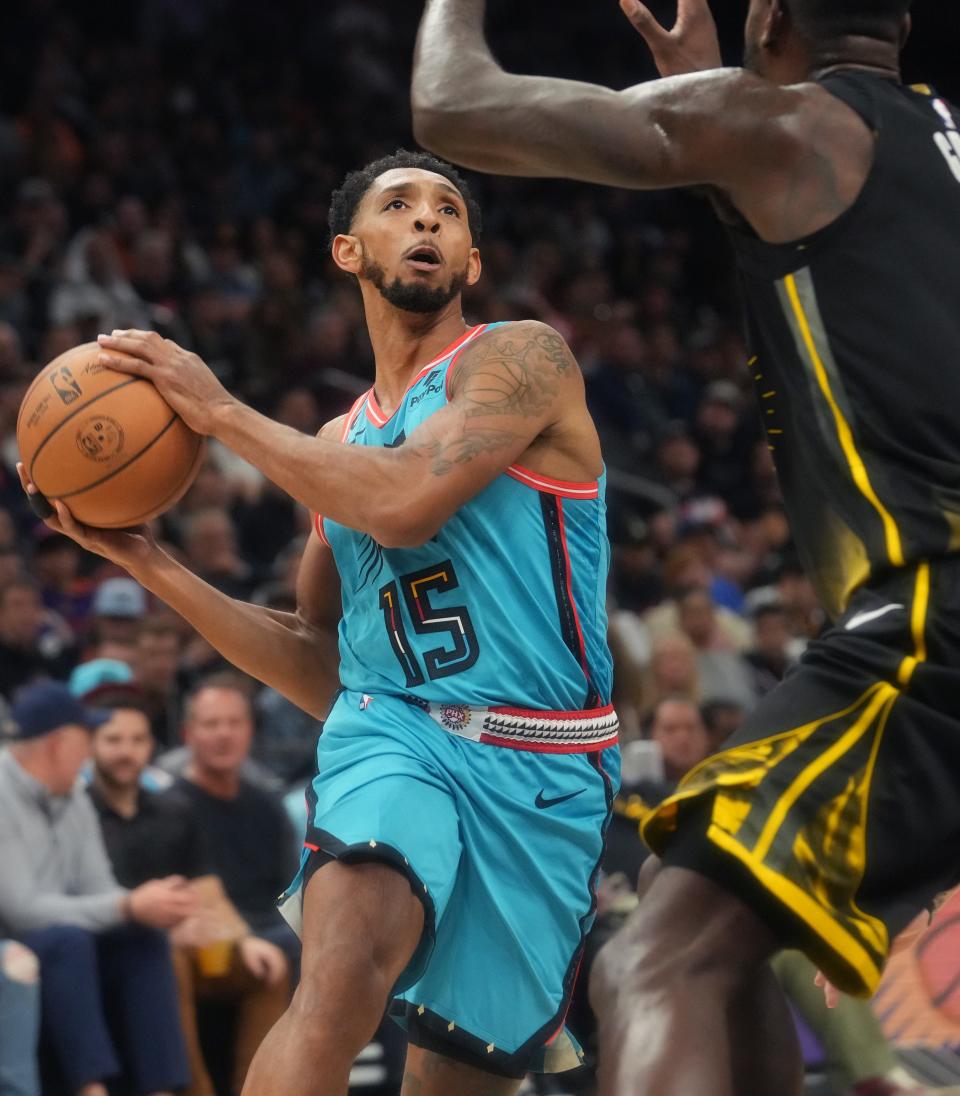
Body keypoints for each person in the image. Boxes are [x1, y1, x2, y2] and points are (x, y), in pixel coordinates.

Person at [412, 1, 960, 1094]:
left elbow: (451, 109)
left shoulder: (790, 127)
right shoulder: (929, 134)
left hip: (929, 630)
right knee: (715, 927)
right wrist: (711, 115)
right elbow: (850, 258)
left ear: (769, 18)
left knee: (649, 965)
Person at [20, 148, 618, 1096]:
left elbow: (407, 498)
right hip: (398, 737)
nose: (427, 221)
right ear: (347, 250)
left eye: (449, 212)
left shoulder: (521, 358)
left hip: (545, 767)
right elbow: (325, 660)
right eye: (399, 206)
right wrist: (150, 562)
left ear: (471, 262)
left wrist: (219, 412)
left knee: (456, 1079)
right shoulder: (337, 445)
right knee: (336, 982)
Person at [86, 687, 289, 1096]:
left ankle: (258, 1089)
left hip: (188, 944)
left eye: (137, 740)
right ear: (90, 745)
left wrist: (244, 939)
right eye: (114, 740)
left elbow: (207, 888)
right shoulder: (80, 811)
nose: (127, 751)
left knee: (269, 966)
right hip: (123, 946)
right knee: (166, 953)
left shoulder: (172, 810)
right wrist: (162, 928)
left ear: (152, 746)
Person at [0, 681, 193, 1096]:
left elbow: (97, 885)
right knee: (71, 941)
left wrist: (139, 909)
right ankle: (92, 1089)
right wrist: (127, 904)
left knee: (142, 938)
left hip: (63, 940)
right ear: (58, 743)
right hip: (13, 944)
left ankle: (161, 1089)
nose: (88, 752)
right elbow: (20, 911)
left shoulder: (73, 794)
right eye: (86, 739)